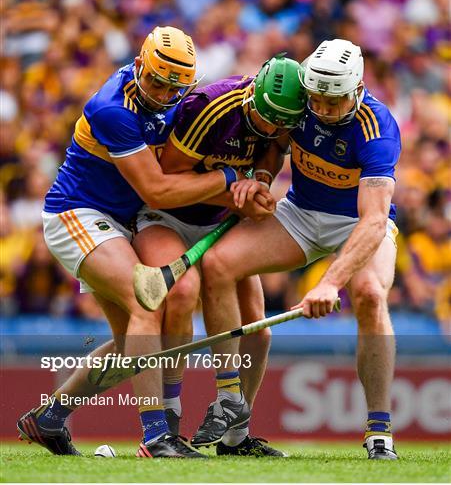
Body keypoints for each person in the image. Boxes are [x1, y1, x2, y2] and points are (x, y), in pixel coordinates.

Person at [16, 26, 260, 458]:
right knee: (147, 304)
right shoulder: (113, 108)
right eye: (155, 81)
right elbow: (158, 192)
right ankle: (157, 435)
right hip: (80, 213)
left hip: (121, 221)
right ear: (140, 65)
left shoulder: (179, 97)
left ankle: (50, 418)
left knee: (135, 343)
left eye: (173, 88)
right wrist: (227, 179)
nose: (162, 93)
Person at [194, 39, 401, 460]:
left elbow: (375, 221)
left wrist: (328, 283)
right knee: (217, 264)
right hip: (300, 214)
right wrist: (264, 180)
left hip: (356, 224)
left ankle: (379, 430)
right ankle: (233, 411)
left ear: (356, 89)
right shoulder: (302, 101)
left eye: (333, 102)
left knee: (369, 295)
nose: (321, 109)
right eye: (317, 99)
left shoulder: (376, 130)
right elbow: (277, 144)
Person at [132, 54, 307, 456]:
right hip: (167, 217)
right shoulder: (209, 107)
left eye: (283, 123)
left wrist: (259, 182)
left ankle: (235, 434)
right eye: (267, 119)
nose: (273, 128)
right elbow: (167, 177)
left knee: (258, 331)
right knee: (180, 293)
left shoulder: (283, 118)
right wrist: (231, 186)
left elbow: (273, 151)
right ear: (253, 99)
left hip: (220, 223)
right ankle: (169, 421)